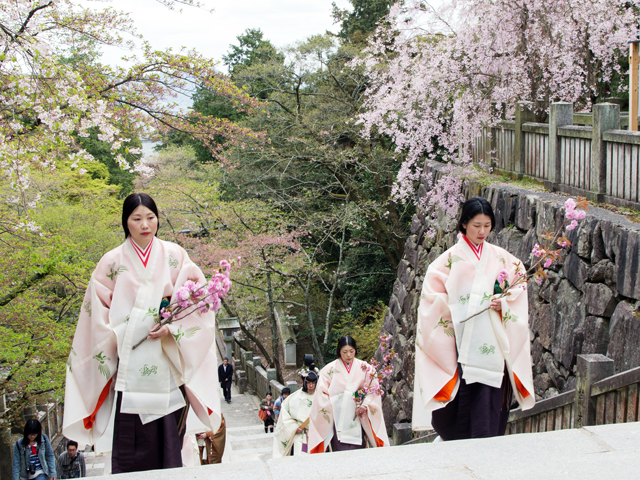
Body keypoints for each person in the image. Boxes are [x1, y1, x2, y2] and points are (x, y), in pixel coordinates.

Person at [62, 193, 222, 473]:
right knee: (132, 440)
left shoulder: (175, 255)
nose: (145, 224)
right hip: (130, 362)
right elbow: (96, 317)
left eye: (150, 217)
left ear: (157, 219)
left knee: (171, 437)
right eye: (136, 218)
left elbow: (198, 302)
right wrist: (123, 333)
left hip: (167, 360)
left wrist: (171, 327)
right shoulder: (111, 262)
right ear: (126, 222)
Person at [412, 196, 535, 440]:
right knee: (457, 412)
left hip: (492, 349)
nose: (482, 231)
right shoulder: (445, 262)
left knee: (488, 410)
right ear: (464, 224)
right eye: (476, 225)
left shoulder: (504, 259)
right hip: (458, 349)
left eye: (487, 226)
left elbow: (518, 287)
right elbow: (432, 303)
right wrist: (463, 310)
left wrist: (505, 303)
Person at [307, 336, 389, 453]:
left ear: (355, 350)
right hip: (337, 416)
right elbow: (321, 394)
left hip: (358, 416)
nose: (349, 355)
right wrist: (336, 402)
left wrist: (364, 405)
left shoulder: (366, 368)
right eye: (345, 352)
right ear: (339, 351)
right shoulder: (328, 370)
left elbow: (373, 391)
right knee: (339, 451)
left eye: (351, 351)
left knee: (359, 452)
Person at [273, 360, 317, 457]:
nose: (311, 386)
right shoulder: (294, 398)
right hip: (301, 433)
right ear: (303, 382)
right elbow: (284, 415)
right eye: (308, 383)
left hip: (317, 433)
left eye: (313, 383)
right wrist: (293, 428)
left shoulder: (321, 396)